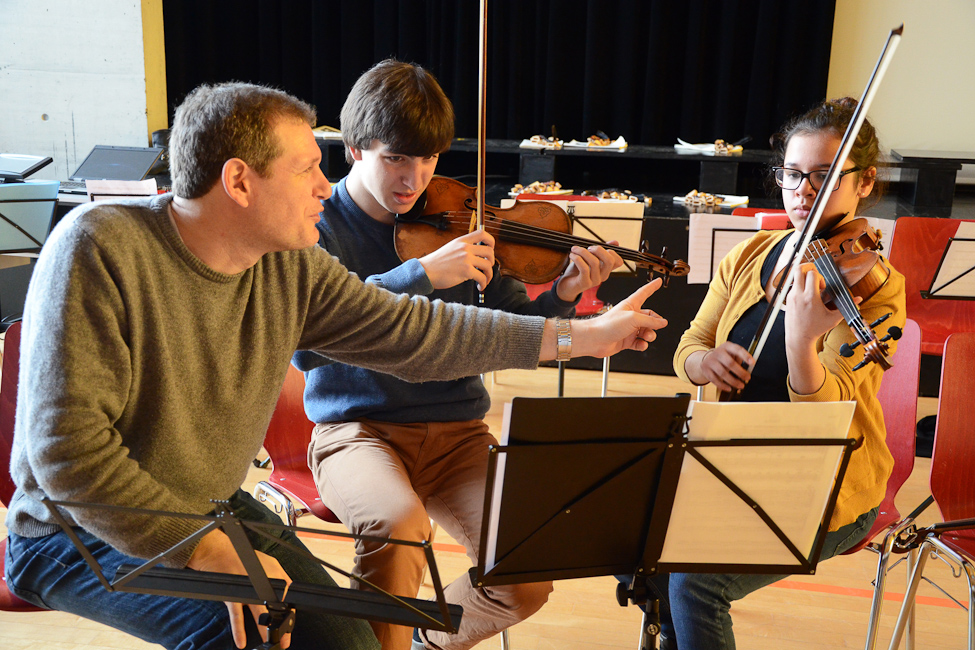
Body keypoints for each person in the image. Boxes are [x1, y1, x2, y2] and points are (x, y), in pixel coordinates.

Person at [3, 81, 669, 650]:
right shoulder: (100, 247)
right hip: (74, 530)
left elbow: (417, 330)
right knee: (265, 637)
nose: (327, 186)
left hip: (207, 506)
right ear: (238, 181)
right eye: (306, 170)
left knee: (354, 641)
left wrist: (581, 336)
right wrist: (208, 551)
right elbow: (70, 456)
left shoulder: (289, 265)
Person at [291, 59, 625, 650]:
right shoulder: (316, 227)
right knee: (397, 528)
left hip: (458, 434)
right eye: (397, 157)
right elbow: (307, 347)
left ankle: (423, 643)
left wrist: (566, 293)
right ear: (355, 149)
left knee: (526, 571)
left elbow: (510, 324)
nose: (414, 179)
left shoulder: (459, 218)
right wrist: (421, 274)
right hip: (357, 430)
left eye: (429, 159)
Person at [653, 98, 907, 650]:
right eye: (792, 174)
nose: (803, 191)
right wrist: (704, 363)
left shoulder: (876, 285)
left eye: (824, 176)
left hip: (824, 484)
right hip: (730, 463)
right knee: (639, 550)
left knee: (697, 584)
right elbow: (689, 345)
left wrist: (800, 341)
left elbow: (831, 411)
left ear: (865, 182)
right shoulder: (751, 254)